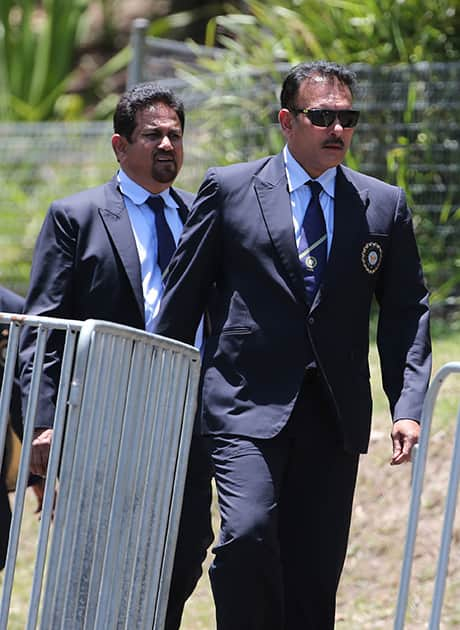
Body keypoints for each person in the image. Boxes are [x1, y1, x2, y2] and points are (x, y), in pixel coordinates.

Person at [154, 61, 432, 629]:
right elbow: (180, 303)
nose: (338, 129)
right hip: (240, 405)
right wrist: (159, 398)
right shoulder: (230, 189)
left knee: (314, 569)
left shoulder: (383, 205)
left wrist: (407, 406)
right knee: (247, 534)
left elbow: (406, 312)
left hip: (333, 414)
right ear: (287, 120)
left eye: (347, 117)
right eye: (322, 116)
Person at [19, 84, 213, 629]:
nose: (167, 145)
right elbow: (44, 331)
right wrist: (41, 421)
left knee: (186, 545)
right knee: (100, 557)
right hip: (107, 414)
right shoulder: (76, 217)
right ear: (119, 145)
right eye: (153, 135)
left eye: (175, 135)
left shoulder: (202, 216)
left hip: (187, 414)